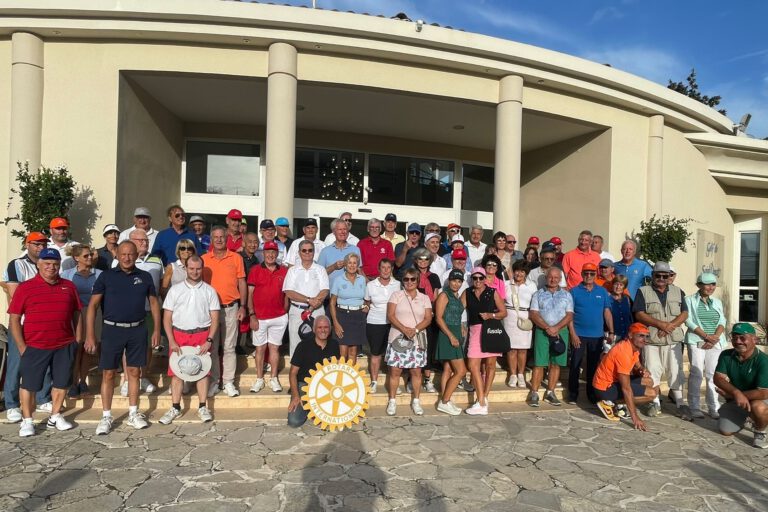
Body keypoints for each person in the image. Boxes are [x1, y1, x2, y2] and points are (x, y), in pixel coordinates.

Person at [85, 240, 161, 434]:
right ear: (117, 255)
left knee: (135, 372)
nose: (127, 258)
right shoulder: (106, 276)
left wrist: (156, 330)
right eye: (123, 254)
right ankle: (106, 416)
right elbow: (93, 306)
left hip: (137, 329)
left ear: (136, 255)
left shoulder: (144, 276)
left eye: (131, 254)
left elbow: (154, 304)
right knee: (108, 374)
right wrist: (90, 334)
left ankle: (133, 413)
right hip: (112, 330)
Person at [8, 248, 81, 437]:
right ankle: (27, 420)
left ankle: (55, 416)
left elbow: (77, 314)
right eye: (47, 263)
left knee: (61, 383)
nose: (51, 267)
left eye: (55, 264)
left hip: (64, 345)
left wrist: (76, 340)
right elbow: (14, 319)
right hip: (35, 346)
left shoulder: (69, 286)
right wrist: (22, 347)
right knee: (29, 385)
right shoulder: (25, 288)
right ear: (38, 265)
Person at [158, 255, 219, 424]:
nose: (195, 272)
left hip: (201, 335)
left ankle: (202, 406)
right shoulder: (175, 290)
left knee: (203, 372)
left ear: (202, 268)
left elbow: (215, 319)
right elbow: (167, 318)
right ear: (185, 268)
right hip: (179, 335)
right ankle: (175, 407)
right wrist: (171, 340)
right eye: (191, 268)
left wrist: (209, 340)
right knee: (176, 373)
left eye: (198, 268)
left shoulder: (209, 291)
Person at [2, 232, 54, 422]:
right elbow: (16, 295)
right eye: (36, 244)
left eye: (43, 244)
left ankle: (42, 398)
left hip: (43, 323)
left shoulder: (46, 264)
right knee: (16, 363)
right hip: (22, 323)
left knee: (44, 362)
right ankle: (12, 404)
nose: (41, 247)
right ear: (27, 244)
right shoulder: (17, 264)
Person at [633, 261, 690, 419]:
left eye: (665, 276)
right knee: (653, 370)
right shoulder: (643, 291)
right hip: (652, 339)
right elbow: (639, 313)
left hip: (673, 340)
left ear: (670, 276)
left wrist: (669, 327)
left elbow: (684, 313)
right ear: (653, 275)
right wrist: (660, 324)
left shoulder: (678, 292)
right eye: (658, 275)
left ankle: (680, 404)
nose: (662, 279)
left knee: (675, 371)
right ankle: (654, 402)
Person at [202, 226, 247, 397]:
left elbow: (242, 282)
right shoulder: (204, 259)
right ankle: (214, 382)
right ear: (211, 239)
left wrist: (243, 306)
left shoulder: (236, 258)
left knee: (229, 347)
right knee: (212, 348)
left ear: (226, 238)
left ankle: (228, 382)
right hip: (210, 311)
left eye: (222, 237)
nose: (219, 240)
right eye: (216, 237)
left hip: (231, 308)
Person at [121, 228, 164, 396]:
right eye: (140, 240)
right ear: (131, 242)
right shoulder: (121, 261)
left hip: (150, 310)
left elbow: (161, 284)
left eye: (146, 240)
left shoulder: (156, 260)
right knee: (128, 346)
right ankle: (127, 379)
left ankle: (143, 377)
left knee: (147, 345)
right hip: (129, 311)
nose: (144, 243)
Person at [384, 268, 433, 416]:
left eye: (413, 279)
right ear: (402, 281)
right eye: (406, 279)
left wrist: (415, 330)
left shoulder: (424, 298)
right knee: (395, 371)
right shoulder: (396, 295)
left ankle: (416, 401)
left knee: (416, 372)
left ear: (417, 281)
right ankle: (392, 401)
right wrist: (404, 329)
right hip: (398, 339)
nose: (409, 282)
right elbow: (390, 315)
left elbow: (428, 318)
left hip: (417, 340)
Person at [713, 323, 768, 448]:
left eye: (743, 338)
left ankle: (760, 431)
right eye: (734, 337)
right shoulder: (726, 355)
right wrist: (736, 393)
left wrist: (732, 395)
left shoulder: (764, 360)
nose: (738, 341)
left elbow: (764, 392)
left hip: (760, 399)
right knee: (725, 430)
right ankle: (748, 417)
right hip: (738, 398)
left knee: (758, 407)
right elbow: (718, 378)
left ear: (755, 340)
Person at [593, 323, 657, 430]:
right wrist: (635, 418)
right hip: (604, 388)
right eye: (641, 336)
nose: (645, 339)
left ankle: (618, 403)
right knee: (652, 394)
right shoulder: (623, 351)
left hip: (613, 382)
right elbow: (626, 389)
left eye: (646, 336)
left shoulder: (633, 347)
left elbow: (637, 365)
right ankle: (609, 403)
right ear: (630, 335)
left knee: (649, 381)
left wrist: (642, 370)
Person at [567, 263, 614, 404]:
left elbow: (607, 312)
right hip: (579, 335)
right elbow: (569, 315)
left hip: (597, 336)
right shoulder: (574, 292)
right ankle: (573, 394)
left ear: (595, 274)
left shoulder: (602, 291)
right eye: (586, 273)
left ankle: (592, 394)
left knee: (593, 367)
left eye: (592, 273)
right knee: (575, 365)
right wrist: (573, 334)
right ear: (582, 274)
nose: (589, 276)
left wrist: (611, 331)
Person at [463, 266, 507, 415]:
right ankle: (481, 400)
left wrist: (490, 315)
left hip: (490, 330)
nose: (478, 280)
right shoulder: (467, 292)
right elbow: (459, 309)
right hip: (475, 330)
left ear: (484, 278)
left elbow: (503, 312)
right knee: (472, 364)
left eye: (480, 278)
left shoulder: (492, 292)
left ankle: (484, 398)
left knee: (490, 365)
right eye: (475, 278)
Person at [528, 267, 573, 407]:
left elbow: (569, 315)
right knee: (539, 363)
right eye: (550, 277)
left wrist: (556, 328)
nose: (553, 280)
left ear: (560, 279)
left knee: (556, 363)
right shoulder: (538, 294)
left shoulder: (567, 295)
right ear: (546, 278)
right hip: (542, 332)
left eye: (556, 277)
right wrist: (547, 327)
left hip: (561, 332)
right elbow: (533, 314)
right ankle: (534, 392)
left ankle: (550, 392)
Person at [247, 241, 288, 393]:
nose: (270, 255)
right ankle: (259, 379)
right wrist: (252, 315)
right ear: (263, 253)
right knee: (260, 348)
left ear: (277, 254)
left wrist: (285, 311)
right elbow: (250, 294)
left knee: (274, 348)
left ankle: (274, 378)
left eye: (273, 252)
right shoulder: (255, 270)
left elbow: (286, 294)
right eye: (268, 252)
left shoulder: (284, 271)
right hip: (259, 317)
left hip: (279, 316)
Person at [61, 244, 102, 397]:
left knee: (88, 349)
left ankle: (83, 381)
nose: (90, 257)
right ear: (76, 258)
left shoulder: (100, 274)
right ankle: (73, 382)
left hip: (94, 313)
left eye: (90, 254)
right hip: (74, 314)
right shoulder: (67, 274)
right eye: (86, 256)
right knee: (75, 348)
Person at [684, 272, 726, 419]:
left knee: (713, 375)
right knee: (697, 373)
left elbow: (722, 321)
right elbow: (688, 321)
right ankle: (694, 407)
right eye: (707, 284)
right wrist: (706, 337)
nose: (710, 287)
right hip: (697, 340)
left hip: (716, 342)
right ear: (699, 285)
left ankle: (714, 407)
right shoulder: (689, 300)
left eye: (713, 284)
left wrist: (715, 338)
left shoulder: (717, 302)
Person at [287, 316, 340, 427]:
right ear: (314, 329)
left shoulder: (334, 345)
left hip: (325, 388)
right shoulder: (303, 346)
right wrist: (296, 396)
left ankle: (313, 408)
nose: (323, 330)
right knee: (294, 421)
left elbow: (339, 369)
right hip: (304, 386)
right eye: (320, 327)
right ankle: (309, 407)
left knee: (333, 418)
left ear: (330, 329)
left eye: (326, 327)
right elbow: (292, 373)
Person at [283, 239, 330, 357]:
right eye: (304, 250)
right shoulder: (292, 270)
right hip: (297, 311)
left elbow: (324, 291)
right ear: (299, 253)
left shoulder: (320, 269)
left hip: (317, 310)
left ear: (314, 252)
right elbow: (289, 292)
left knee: (319, 342)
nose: (307, 253)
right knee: (296, 344)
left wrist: (311, 307)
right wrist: (309, 300)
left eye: (310, 250)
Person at [434, 269, 468, 416]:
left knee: (448, 369)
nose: (456, 283)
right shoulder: (444, 295)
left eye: (459, 281)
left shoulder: (456, 295)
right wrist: (451, 336)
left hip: (455, 333)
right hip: (447, 335)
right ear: (449, 280)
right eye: (454, 280)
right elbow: (439, 318)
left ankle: (445, 399)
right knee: (461, 371)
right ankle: (445, 401)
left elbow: (455, 314)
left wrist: (460, 327)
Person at [364, 258, 399, 394]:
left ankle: (393, 383)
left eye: (388, 268)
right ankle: (374, 382)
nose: (385, 270)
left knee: (392, 354)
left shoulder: (398, 284)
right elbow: (367, 302)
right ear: (379, 269)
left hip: (393, 323)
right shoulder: (370, 285)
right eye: (383, 267)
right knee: (376, 353)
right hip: (375, 322)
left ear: (391, 269)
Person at [328, 253, 367, 366]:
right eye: (349, 263)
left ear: (358, 265)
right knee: (342, 353)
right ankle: (341, 376)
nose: (352, 265)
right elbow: (332, 303)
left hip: (358, 317)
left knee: (353, 352)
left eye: (355, 263)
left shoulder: (362, 280)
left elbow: (367, 298)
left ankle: (351, 375)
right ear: (345, 265)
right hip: (342, 316)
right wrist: (335, 323)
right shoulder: (338, 280)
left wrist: (367, 306)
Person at [413, 247, 442, 392]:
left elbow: (435, 297)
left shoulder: (434, 277)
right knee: (415, 347)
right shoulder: (412, 275)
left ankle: (427, 379)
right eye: (420, 258)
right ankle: (412, 378)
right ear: (416, 260)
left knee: (429, 347)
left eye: (426, 259)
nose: (423, 261)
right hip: (415, 315)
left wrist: (434, 313)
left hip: (430, 315)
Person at [504, 260, 536, 388]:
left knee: (523, 349)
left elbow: (535, 303)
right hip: (510, 318)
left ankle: (521, 374)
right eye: (517, 270)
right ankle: (513, 374)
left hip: (525, 318)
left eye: (522, 271)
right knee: (511, 349)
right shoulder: (506, 284)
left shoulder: (532, 286)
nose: (519, 274)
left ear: (526, 273)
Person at [318, 218, 362, 288]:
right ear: (333, 232)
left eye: (345, 229)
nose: (343, 232)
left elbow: (359, 272)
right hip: (331, 292)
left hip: (351, 292)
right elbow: (318, 274)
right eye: (340, 229)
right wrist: (333, 267)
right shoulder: (325, 251)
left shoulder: (355, 250)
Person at [608, 274, 633, 341]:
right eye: (616, 284)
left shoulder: (627, 299)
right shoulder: (607, 298)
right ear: (612, 285)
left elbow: (631, 317)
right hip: (612, 335)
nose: (618, 287)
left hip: (626, 335)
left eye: (621, 285)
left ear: (624, 287)